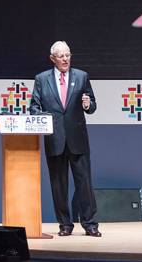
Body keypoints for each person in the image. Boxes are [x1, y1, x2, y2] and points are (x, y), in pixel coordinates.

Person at [30, 40, 101, 237]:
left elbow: (92, 105)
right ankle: (65, 224)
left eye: (68, 55)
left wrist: (88, 104)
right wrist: (43, 118)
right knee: (58, 185)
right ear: (52, 59)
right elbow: (34, 107)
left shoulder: (81, 76)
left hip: (78, 139)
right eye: (61, 56)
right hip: (55, 139)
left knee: (84, 184)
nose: (65, 59)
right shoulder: (41, 79)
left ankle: (90, 224)